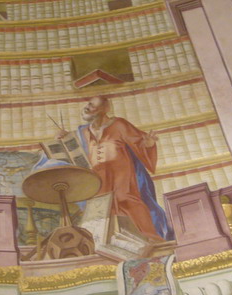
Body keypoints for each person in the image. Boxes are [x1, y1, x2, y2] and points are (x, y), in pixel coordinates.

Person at [59, 95, 172, 241]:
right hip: (98, 177)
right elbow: (75, 149)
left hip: (120, 173)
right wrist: (65, 137)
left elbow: (139, 142)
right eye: (88, 103)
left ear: (103, 110)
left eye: (92, 106)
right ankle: (110, 241)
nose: (87, 108)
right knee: (103, 207)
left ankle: (151, 238)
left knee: (127, 200)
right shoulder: (83, 131)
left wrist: (148, 144)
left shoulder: (119, 124)